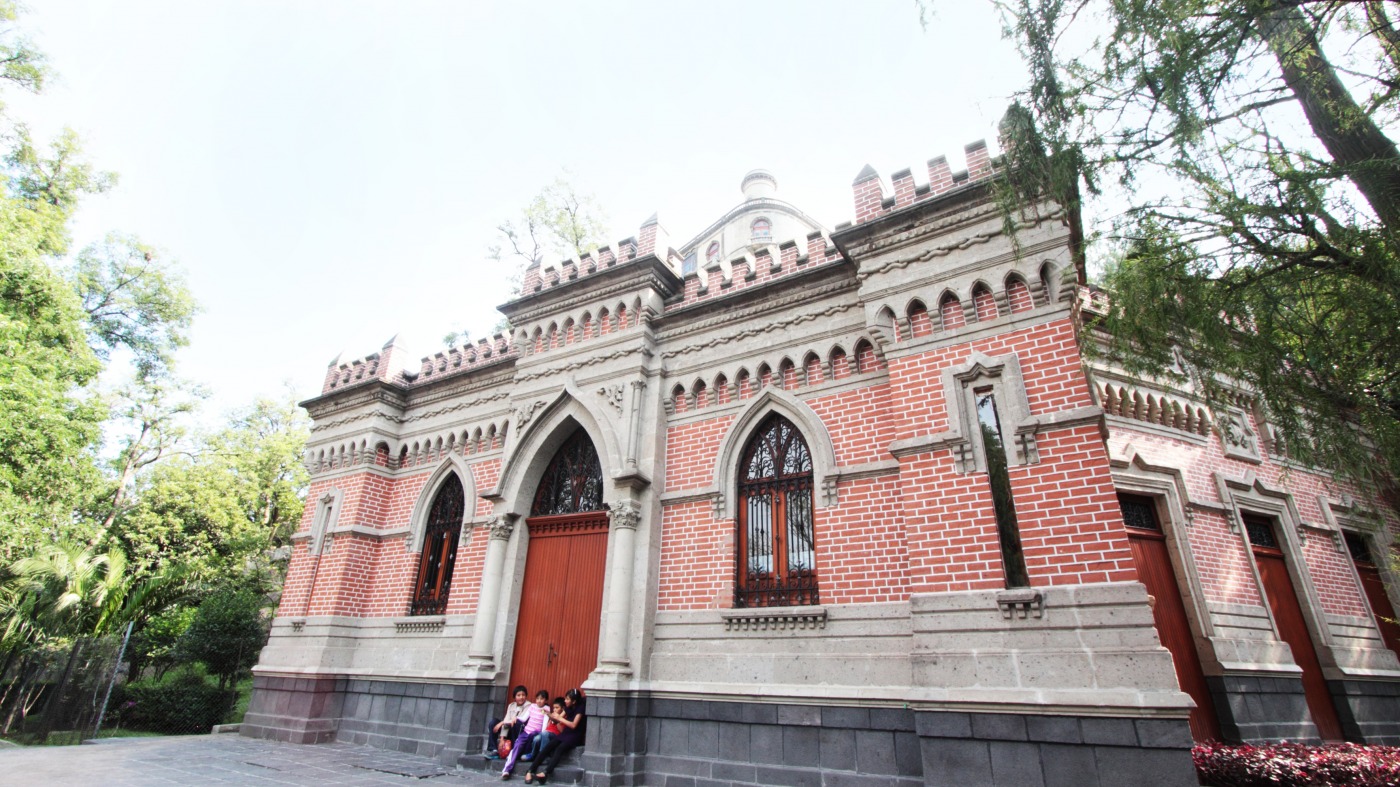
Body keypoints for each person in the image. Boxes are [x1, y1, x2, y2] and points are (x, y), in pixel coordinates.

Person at [529, 688, 586, 785]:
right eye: (565, 698)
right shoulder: (568, 707)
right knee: (549, 746)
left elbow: (573, 725)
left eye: (567, 699)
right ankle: (531, 770)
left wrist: (560, 718)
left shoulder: (580, 709)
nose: (565, 701)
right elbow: (557, 720)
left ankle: (546, 773)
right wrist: (549, 715)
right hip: (566, 733)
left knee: (559, 748)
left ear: (574, 701)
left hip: (575, 735)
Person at [501, 690, 549, 780]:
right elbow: (524, 718)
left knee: (533, 735)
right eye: (537, 698)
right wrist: (516, 718)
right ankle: (506, 770)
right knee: (517, 746)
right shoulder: (532, 706)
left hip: (535, 733)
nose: (539, 701)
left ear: (546, 700)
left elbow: (544, 724)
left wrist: (542, 733)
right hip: (526, 732)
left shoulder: (545, 709)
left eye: (542, 699)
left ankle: (526, 755)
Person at [521, 698, 565, 784]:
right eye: (554, 708)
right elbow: (547, 727)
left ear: (562, 708)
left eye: (557, 708)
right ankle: (533, 755)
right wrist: (550, 718)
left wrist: (557, 721)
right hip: (546, 733)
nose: (555, 709)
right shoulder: (552, 715)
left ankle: (542, 756)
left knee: (544, 734)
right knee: (537, 738)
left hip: (554, 736)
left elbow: (562, 731)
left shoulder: (563, 717)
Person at [485, 685, 530, 759]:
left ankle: (513, 751)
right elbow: (507, 720)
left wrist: (502, 723)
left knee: (514, 723)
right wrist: (502, 738)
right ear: (515, 697)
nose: (521, 697)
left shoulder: (529, 706)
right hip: (507, 729)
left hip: (518, 731)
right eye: (518, 695)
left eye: (523, 695)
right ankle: (494, 750)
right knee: (493, 723)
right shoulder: (511, 706)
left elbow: (519, 720)